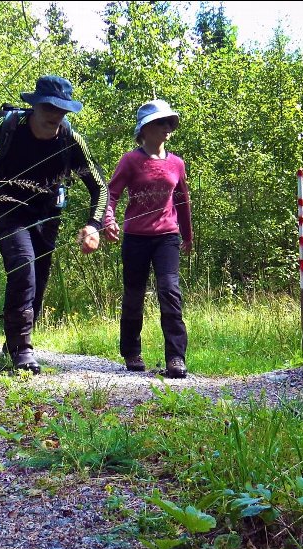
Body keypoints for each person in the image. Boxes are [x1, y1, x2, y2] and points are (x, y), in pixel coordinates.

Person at [0, 75, 107, 374]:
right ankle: (22, 349)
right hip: (7, 208)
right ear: (35, 105)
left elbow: (99, 186)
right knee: (23, 267)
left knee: (39, 282)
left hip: (47, 215)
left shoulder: (70, 140)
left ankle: (15, 342)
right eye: (49, 107)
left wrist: (93, 224)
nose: (55, 115)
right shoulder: (10, 124)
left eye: (62, 109)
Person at [102, 99, 192, 378]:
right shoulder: (130, 161)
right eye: (160, 123)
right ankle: (131, 352)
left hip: (167, 237)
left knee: (170, 292)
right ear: (145, 129)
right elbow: (111, 194)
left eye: (169, 123)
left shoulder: (177, 163)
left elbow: (182, 200)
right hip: (136, 238)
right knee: (133, 296)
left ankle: (175, 358)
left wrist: (187, 235)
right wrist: (108, 220)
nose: (167, 128)